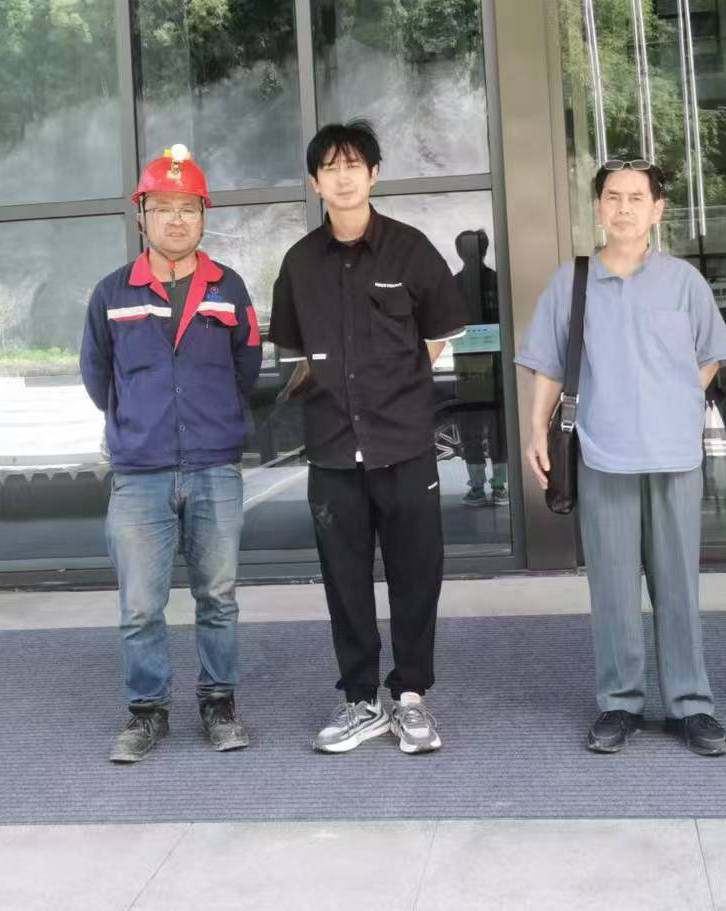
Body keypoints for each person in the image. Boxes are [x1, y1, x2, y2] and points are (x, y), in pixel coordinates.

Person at [517, 159, 726, 757]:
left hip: (673, 455)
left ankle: (691, 705)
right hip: (602, 452)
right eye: (612, 197)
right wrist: (536, 429)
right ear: (598, 208)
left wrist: (677, 399)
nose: (623, 208)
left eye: (636, 198)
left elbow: (711, 355)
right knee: (613, 586)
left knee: (677, 585)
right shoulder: (573, 281)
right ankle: (620, 703)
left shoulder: (684, 282)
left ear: (657, 210)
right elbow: (547, 363)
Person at [270, 121, 468, 755]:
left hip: (405, 446)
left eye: (354, 164)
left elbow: (440, 334)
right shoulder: (300, 263)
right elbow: (296, 352)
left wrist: (396, 387)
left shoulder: (411, 250)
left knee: (416, 575)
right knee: (345, 580)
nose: (343, 176)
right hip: (332, 450)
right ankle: (360, 700)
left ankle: (410, 698)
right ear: (315, 182)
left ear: (374, 174)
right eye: (330, 167)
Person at [80, 144, 263, 764]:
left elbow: (246, 366)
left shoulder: (228, 288)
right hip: (140, 472)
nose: (176, 218)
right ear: (142, 216)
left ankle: (219, 704)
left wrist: (213, 418)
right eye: (163, 207)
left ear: (204, 215)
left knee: (219, 597)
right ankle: (147, 712)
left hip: (214, 466)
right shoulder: (112, 293)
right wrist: (138, 420)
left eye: (188, 207)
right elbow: (97, 374)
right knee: (140, 605)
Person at [453, 228, 508, 508]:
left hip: (470, 368)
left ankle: (481, 487)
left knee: (475, 428)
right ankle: (497, 487)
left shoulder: (453, 285)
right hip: (492, 366)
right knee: (493, 427)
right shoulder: (498, 282)